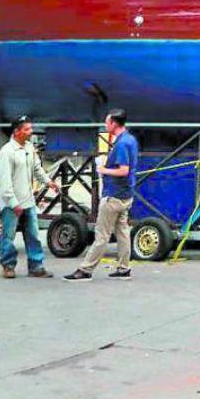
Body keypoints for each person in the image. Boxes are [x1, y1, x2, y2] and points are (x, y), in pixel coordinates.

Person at [65, 109, 138, 281]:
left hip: (114, 194)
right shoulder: (130, 140)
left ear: (114, 123)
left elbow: (123, 170)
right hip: (126, 194)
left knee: (102, 235)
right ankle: (124, 268)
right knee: (122, 232)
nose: (105, 125)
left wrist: (103, 169)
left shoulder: (121, 144)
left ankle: (85, 270)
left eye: (107, 122)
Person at [0, 116, 59, 279]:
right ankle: (8, 266)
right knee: (8, 236)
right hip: (12, 203)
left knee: (33, 235)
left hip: (28, 201)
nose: (31, 132)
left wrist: (49, 182)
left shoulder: (29, 148)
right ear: (17, 132)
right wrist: (13, 203)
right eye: (27, 129)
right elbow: (5, 181)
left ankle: (36, 266)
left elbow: (37, 169)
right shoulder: (7, 152)